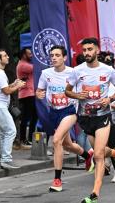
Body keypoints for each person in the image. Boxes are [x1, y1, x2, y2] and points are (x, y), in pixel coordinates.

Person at [65, 37, 115, 203]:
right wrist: (78, 95)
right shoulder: (77, 70)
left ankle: (95, 193)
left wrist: (110, 99)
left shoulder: (107, 70)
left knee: (98, 155)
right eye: (84, 50)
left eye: (90, 49)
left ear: (97, 50)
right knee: (101, 150)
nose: (87, 53)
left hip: (103, 116)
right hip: (85, 118)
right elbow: (67, 91)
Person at [35, 45, 93, 192]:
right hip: (54, 112)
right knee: (67, 145)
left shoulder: (73, 73)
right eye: (52, 55)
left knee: (56, 140)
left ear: (64, 58)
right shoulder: (45, 73)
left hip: (69, 111)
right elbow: (40, 90)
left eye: (57, 55)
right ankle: (87, 156)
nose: (54, 58)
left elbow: (82, 91)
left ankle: (57, 180)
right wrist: (38, 94)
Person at [0, 49, 26, 169]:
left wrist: (14, 83)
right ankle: (5, 159)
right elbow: (6, 91)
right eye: (5, 56)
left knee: (4, 133)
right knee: (11, 131)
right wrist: (18, 86)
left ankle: (2, 158)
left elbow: (4, 88)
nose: (8, 57)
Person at [16, 48, 37, 146]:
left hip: (30, 94)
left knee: (33, 116)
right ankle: (23, 139)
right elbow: (37, 68)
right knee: (26, 117)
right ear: (24, 55)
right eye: (29, 54)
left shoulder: (24, 64)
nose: (32, 55)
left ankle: (28, 139)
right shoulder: (23, 65)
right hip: (27, 95)